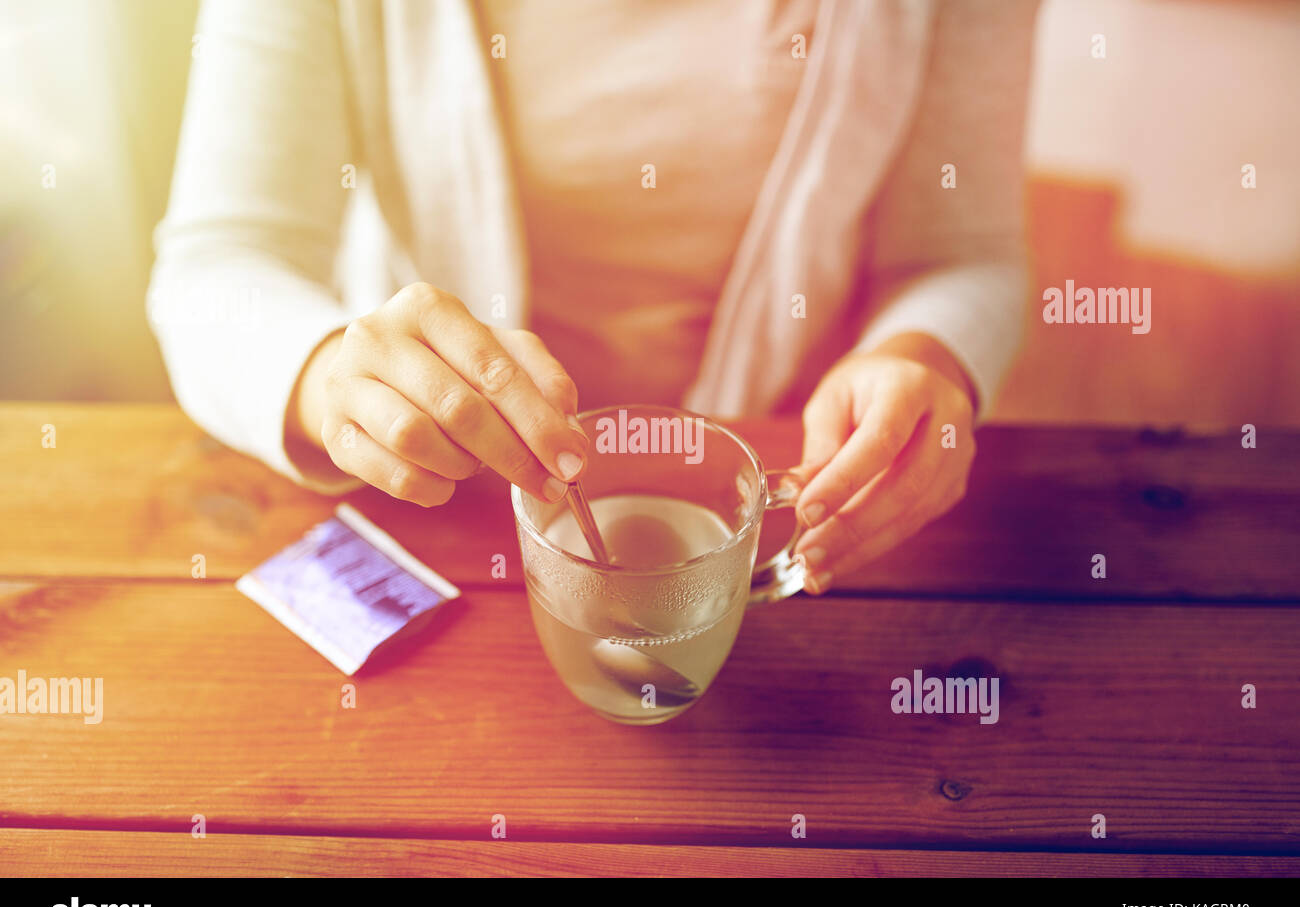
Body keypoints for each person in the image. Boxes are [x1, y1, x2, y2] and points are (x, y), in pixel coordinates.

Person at [147, 0, 1038, 594]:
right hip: (438, 503)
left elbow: (965, 254)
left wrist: (923, 354)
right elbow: (219, 262)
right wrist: (325, 376)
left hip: (789, 493)